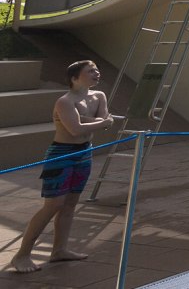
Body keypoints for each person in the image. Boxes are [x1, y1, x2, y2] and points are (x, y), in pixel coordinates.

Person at [9, 60, 114, 274]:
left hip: (84, 153)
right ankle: (22, 254)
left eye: (96, 69)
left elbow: (101, 120)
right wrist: (99, 122)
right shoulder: (65, 102)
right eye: (90, 71)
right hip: (62, 154)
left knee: (70, 204)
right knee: (53, 205)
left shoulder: (99, 96)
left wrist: (88, 120)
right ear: (75, 78)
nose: (96, 73)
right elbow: (77, 129)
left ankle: (59, 250)